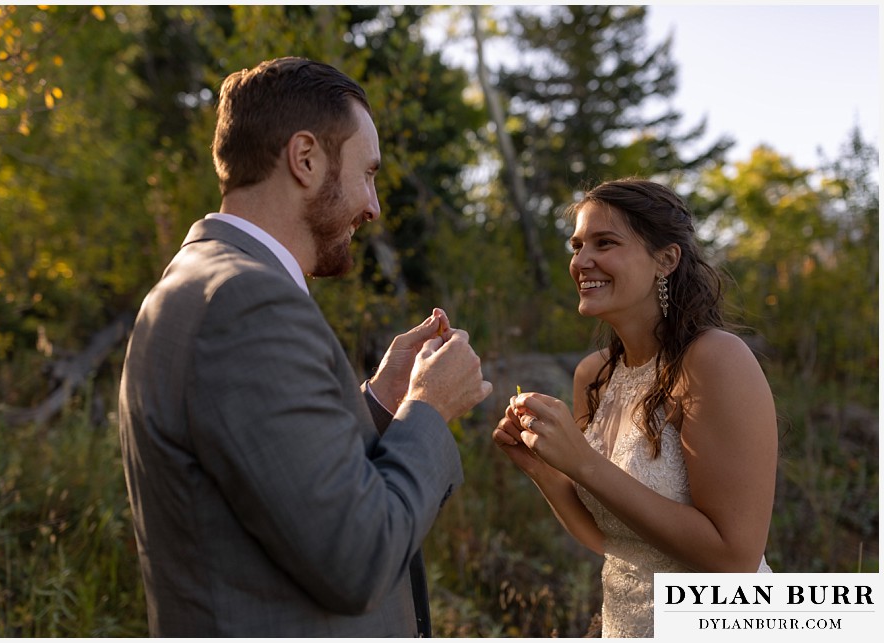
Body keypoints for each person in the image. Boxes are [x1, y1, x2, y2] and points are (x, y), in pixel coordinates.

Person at [118, 57, 493, 637]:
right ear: (306, 158)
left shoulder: (206, 280)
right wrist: (428, 410)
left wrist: (381, 404)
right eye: (367, 173)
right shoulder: (246, 303)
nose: (372, 205)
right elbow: (357, 558)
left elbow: (275, 471)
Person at [493, 178, 777, 638]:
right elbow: (611, 541)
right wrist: (544, 470)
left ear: (665, 260)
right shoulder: (594, 375)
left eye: (605, 243)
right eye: (577, 245)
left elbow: (736, 558)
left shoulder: (715, 360)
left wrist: (582, 462)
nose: (582, 261)